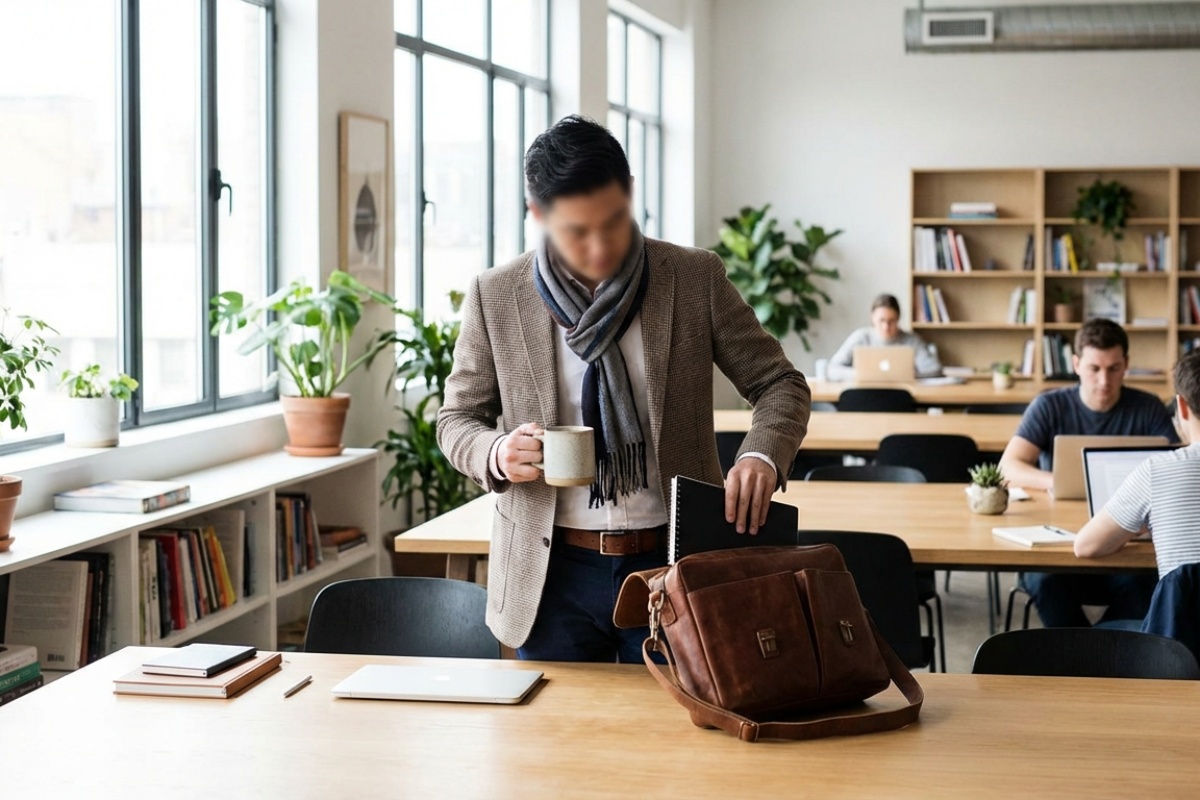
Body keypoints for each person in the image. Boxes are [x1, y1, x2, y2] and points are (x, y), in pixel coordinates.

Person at [437, 115, 811, 662]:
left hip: (674, 563)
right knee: (557, 744)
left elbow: (780, 383)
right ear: (536, 215)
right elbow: (455, 420)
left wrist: (760, 454)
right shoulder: (496, 295)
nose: (599, 247)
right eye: (575, 231)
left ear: (631, 195)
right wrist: (494, 451)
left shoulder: (692, 277)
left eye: (613, 222)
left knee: (682, 740)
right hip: (550, 574)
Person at [998, 318, 1177, 627]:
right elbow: (1007, 467)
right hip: (1060, 541)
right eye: (1095, 369)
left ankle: (1096, 649)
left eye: (1114, 368)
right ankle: (1083, 653)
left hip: (1127, 541)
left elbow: (1173, 470)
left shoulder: (1148, 408)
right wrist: (1056, 482)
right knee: (1043, 581)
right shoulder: (1049, 405)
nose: (1104, 380)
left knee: (1146, 584)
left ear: (1127, 365)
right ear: (1077, 364)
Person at [1075, 349, 1200, 581]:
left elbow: (1086, 546)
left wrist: (1140, 523)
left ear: (1181, 406)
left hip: (1182, 617)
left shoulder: (1157, 471)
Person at [826, 294, 941, 380]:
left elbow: (935, 369)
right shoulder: (860, 337)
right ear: (872, 318)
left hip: (900, 396)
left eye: (892, 321)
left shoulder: (911, 340)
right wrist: (861, 374)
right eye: (882, 321)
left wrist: (908, 375)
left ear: (898, 319)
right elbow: (832, 369)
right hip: (865, 394)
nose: (886, 327)